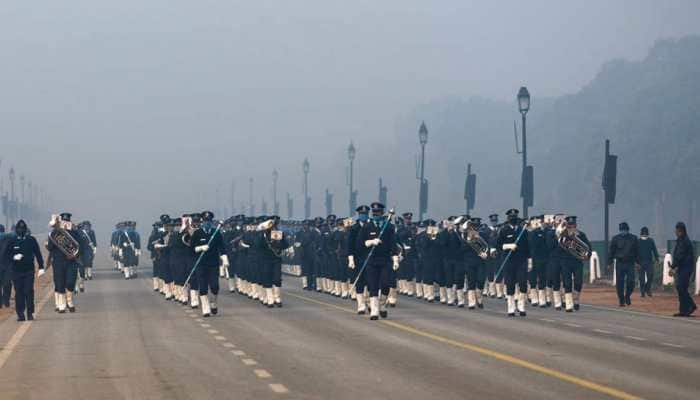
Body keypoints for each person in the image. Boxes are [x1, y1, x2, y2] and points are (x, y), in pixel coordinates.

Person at [356, 202, 398, 320]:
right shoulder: (366, 227)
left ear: (382, 213)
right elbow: (359, 244)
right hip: (371, 260)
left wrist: (395, 259)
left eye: (378, 212)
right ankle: (374, 310)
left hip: (385, 260)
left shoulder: (389, 227)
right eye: (374, 212)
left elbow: (393, 245)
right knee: (373, 285)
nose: (376, 214)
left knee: (385, 284)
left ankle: (382, 304)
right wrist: (370, 242)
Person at [5, 220, 45, 321]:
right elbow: (6, 255)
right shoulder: (12, 241)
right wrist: (14, 257)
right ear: (16, 230)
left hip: (29, 270)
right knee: (19, 292)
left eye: (23, 228)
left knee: (28, 291)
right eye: (19, 228)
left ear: (26, 229)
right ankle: (20, 314)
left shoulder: (31, 240)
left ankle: (30, 312)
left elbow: (38, 254)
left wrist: (41, 267)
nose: (21, 230)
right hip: (16, 271)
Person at [190, 211, 226, 317]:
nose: (207, 223)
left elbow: (222, 247)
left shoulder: (216, 232)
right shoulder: (197, 233)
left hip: (213, 264)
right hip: (201, 264)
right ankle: (205, 308)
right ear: (202, 222)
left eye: (209, 221)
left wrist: (225, 258)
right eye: (205, 221)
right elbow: (191, 249)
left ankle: (213, 302)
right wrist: (200, 248)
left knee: (215, 286)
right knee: (203, 287)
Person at [497, 209, 530, 317]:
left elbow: (528, 246)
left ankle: (521, 306)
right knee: (510, 284)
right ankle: (511, 307)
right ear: (508, 219)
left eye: (515, 217)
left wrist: (530, 260)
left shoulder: (522, 230)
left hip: (521, 260)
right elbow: (498, 245)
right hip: (508, 260)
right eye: (511, 217)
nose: (513, 219)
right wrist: (508, 246)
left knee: (523, 283)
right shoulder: (503, 230)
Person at [608, 222, 639, 307]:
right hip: (620, 263)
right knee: (619, 283)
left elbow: (637, 251)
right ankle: (621, 300)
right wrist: (609, 262)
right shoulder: (615, 239)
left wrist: (638, 262)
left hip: (630, 263)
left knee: (631, 282)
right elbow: (611, 251)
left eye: (624, 230)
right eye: (621, 230)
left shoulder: (634, 238)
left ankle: (627, 296)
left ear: (627, 230)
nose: (623, 231)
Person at [670, 222, 696, 317]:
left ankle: (691, 306)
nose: (675, 232)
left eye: (677, 230)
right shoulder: (681, 240)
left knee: (681, 287)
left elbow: (679, 256)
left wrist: (673, 267)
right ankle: (683, 310)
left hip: (687, 267)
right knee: (681, 288)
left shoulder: (684, 241)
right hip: (682, 267)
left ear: (681, 231)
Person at [638, 227, 659, 297]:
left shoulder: (651, 241)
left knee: (650, 275)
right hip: (640, 262)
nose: (644, 234)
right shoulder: (638, 241)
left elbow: (654, 250)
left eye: (645, 233)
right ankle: (642, 292)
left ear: (647, 233)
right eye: (643, 233)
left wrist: (657, 259)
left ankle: (647, 288)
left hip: (649, 261)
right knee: (641, 278)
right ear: (641, 233)